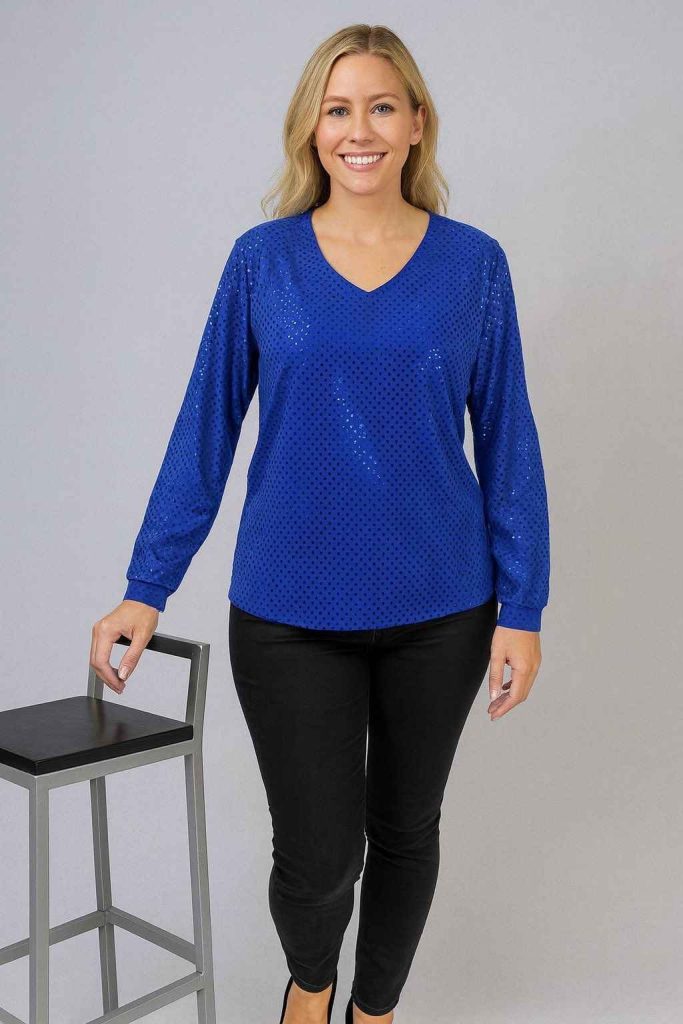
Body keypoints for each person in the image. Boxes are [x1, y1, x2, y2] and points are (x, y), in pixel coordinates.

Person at [90, 23, 550, 1024]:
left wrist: (523, 606)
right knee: (317, 855)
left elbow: (507, 438)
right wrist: (144, 586)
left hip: (442, 607)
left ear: (417, 123)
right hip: (288, 610)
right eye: (337, 109)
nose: (358, 129)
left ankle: (373, 1013)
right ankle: (310, 987)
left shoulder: (473, 266)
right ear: (309, 129)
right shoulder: (262, 263)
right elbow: (205, 428)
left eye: (380, 106)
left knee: (406, 831)